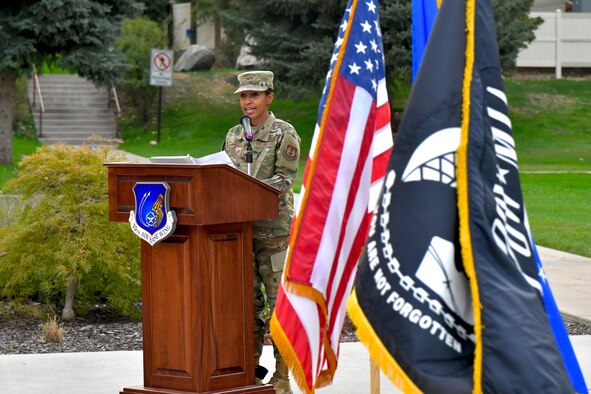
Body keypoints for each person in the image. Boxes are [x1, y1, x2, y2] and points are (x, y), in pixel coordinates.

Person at [223, 70, 300, 394]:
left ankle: (281, 379)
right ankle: (249, 375)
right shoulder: (233, 135)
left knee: (279, 307)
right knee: (246, 307)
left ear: (269, 97)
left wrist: (246, 190)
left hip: (274, 235)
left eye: (254, 95)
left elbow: (285, 180)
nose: (248, 101)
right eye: (243, 95)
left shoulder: (284, 133)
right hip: (240, 234)